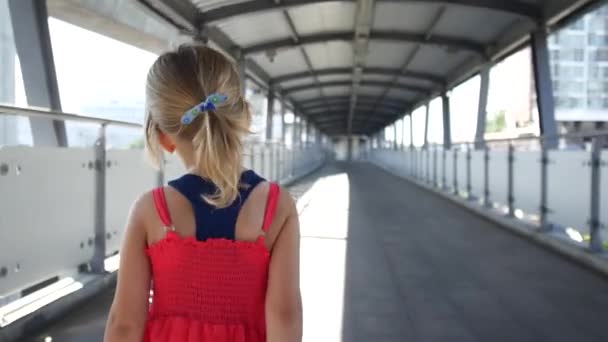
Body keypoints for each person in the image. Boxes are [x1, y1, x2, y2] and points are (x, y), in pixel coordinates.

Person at [104, 44, 302, 342]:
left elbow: (124, 323)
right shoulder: (277, 207)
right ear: (244, 116)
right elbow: (285, 315)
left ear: (162, 137)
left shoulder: (150, 210)